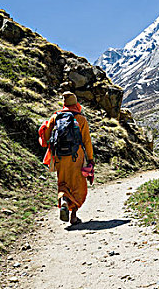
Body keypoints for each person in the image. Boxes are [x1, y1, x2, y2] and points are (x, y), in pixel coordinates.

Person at [44, 92, 94, 225]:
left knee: (63, 182)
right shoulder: (81, 119)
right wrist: (90, 158)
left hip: (60, 156)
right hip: (76, 156)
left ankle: (65, 201)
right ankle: (74, 216)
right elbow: (87, 141)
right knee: (78, 185)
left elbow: (47, 137)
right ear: (76, 103)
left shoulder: (55, 117)